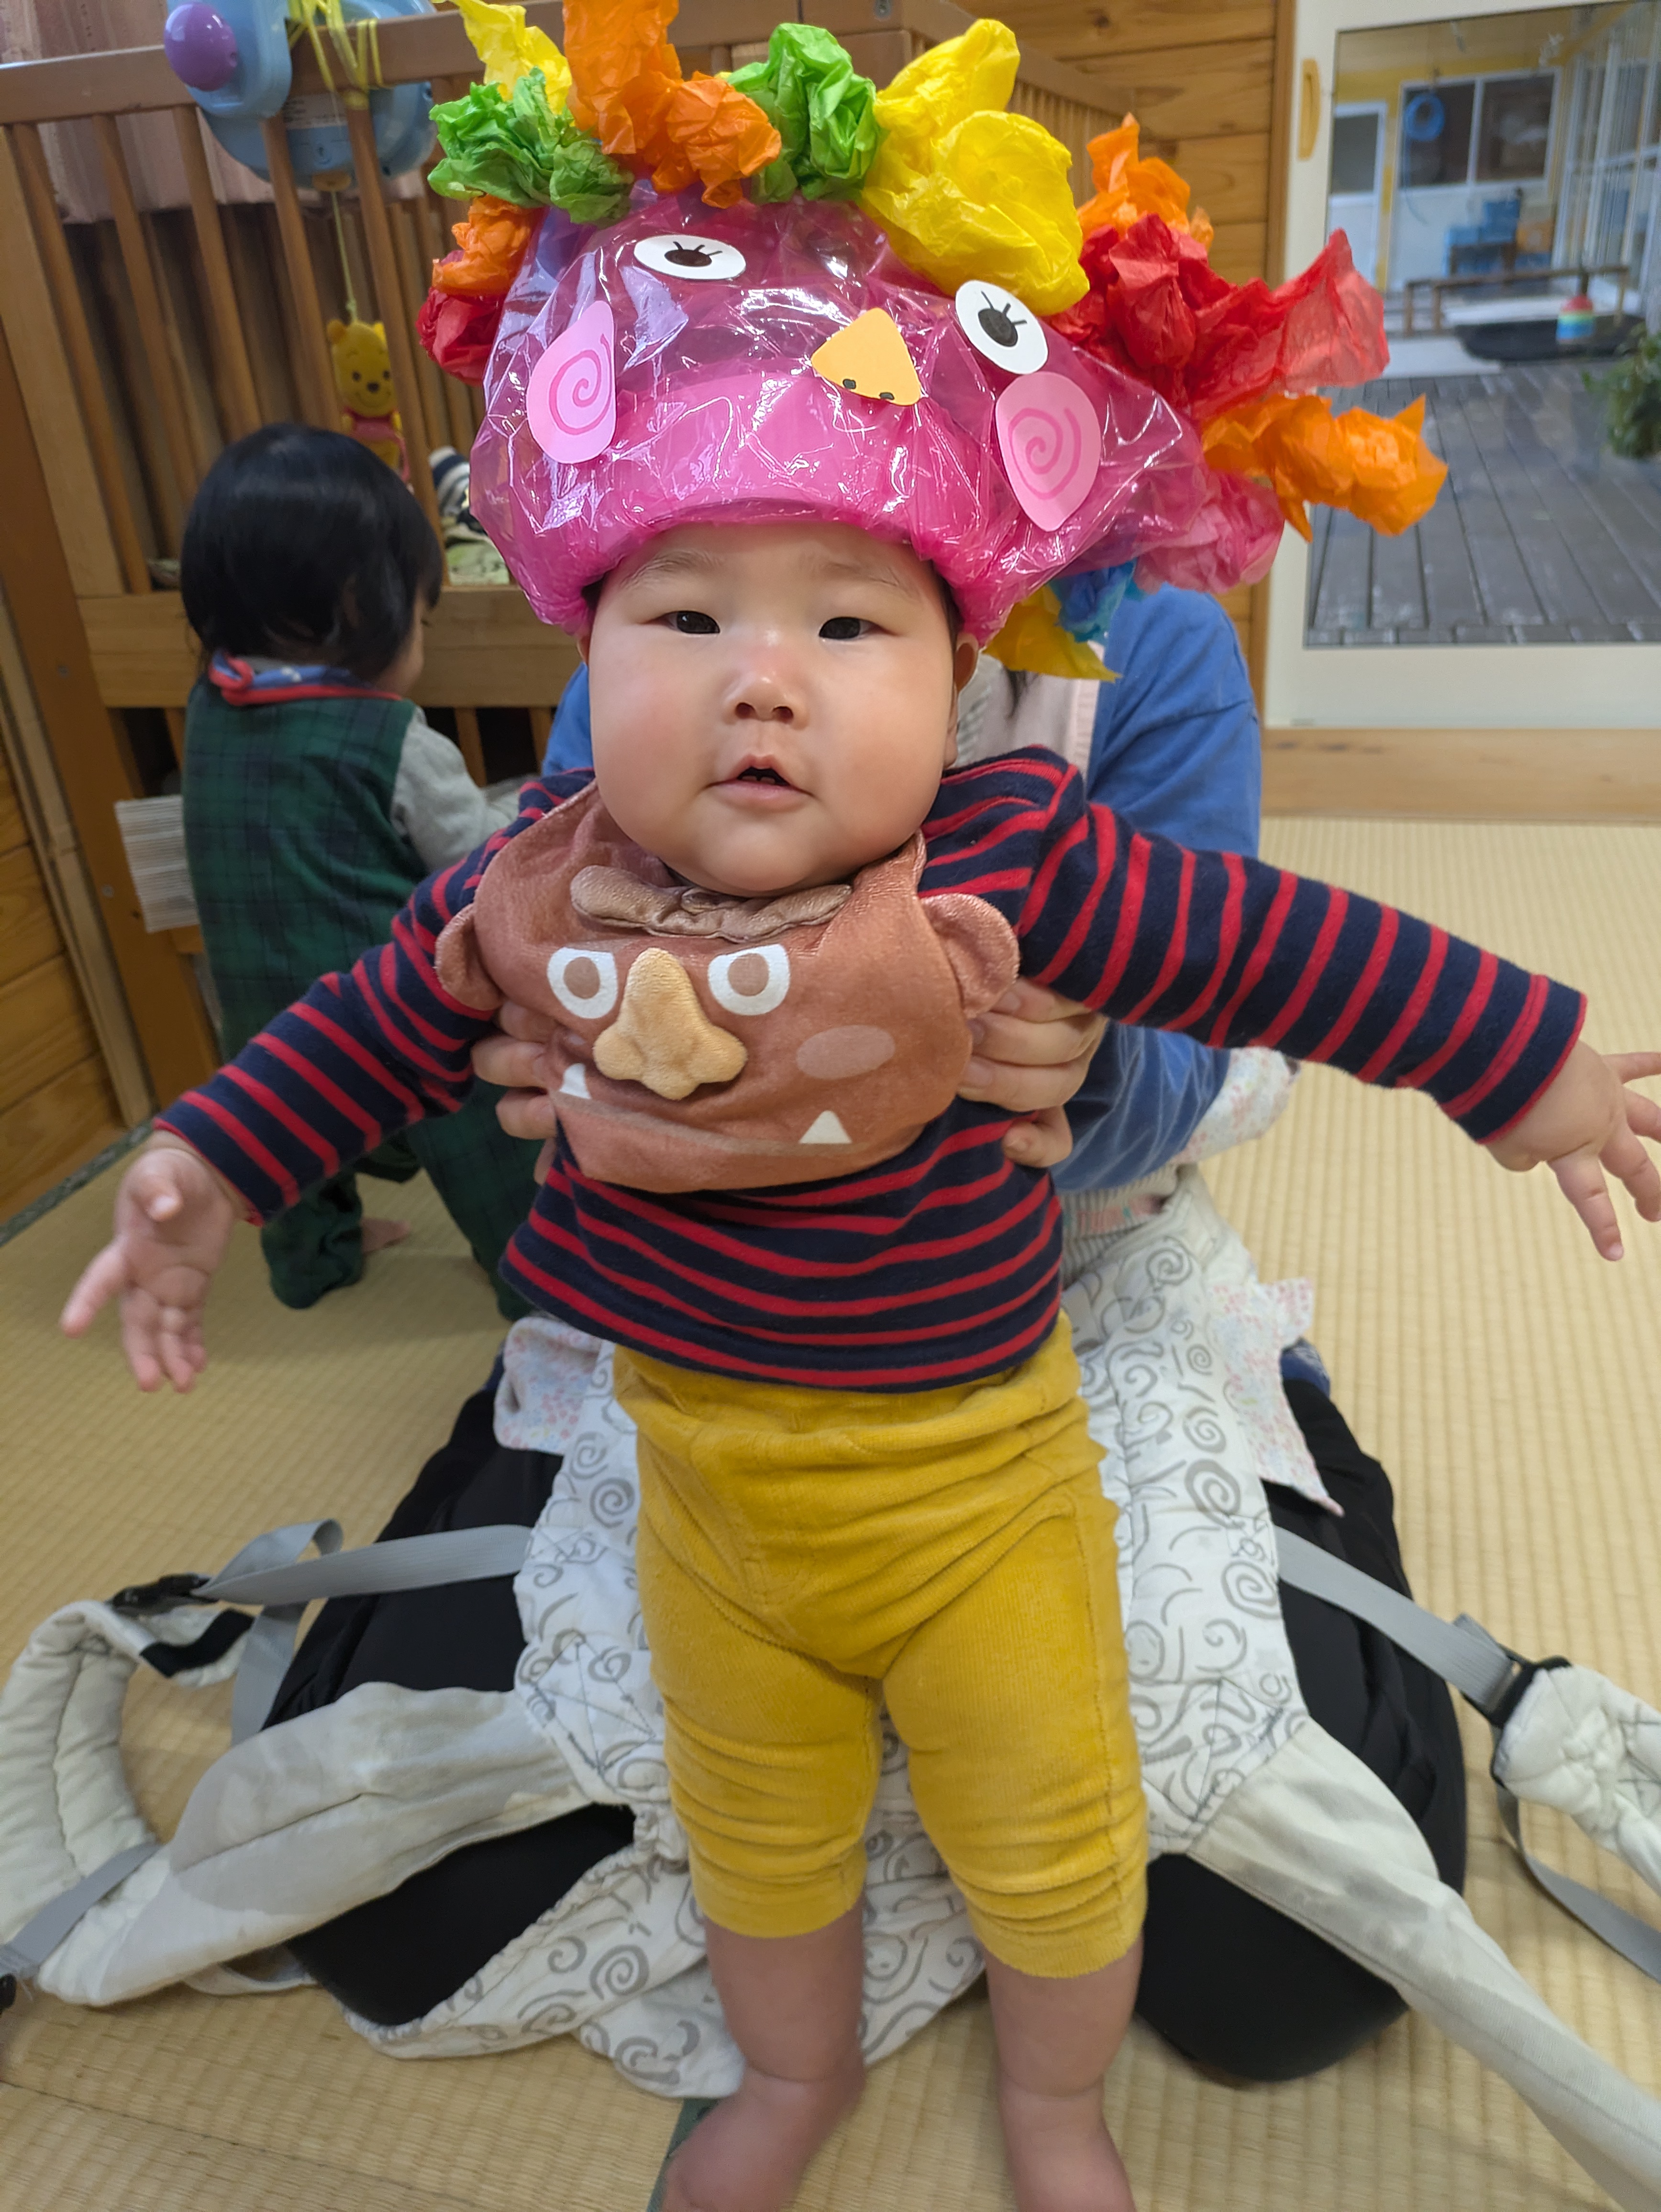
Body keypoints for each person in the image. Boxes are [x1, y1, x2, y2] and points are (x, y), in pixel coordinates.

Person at [177, 425, 541, 1317]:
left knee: (277, 1120)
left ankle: (312, 1263)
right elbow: (478, 864)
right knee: (480, 1130)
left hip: (252, 986)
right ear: (358, 603)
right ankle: (531, 1285)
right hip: (385, 1000)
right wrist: (532, 813)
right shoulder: (393, 738)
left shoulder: (210, 706)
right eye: (422, 618)